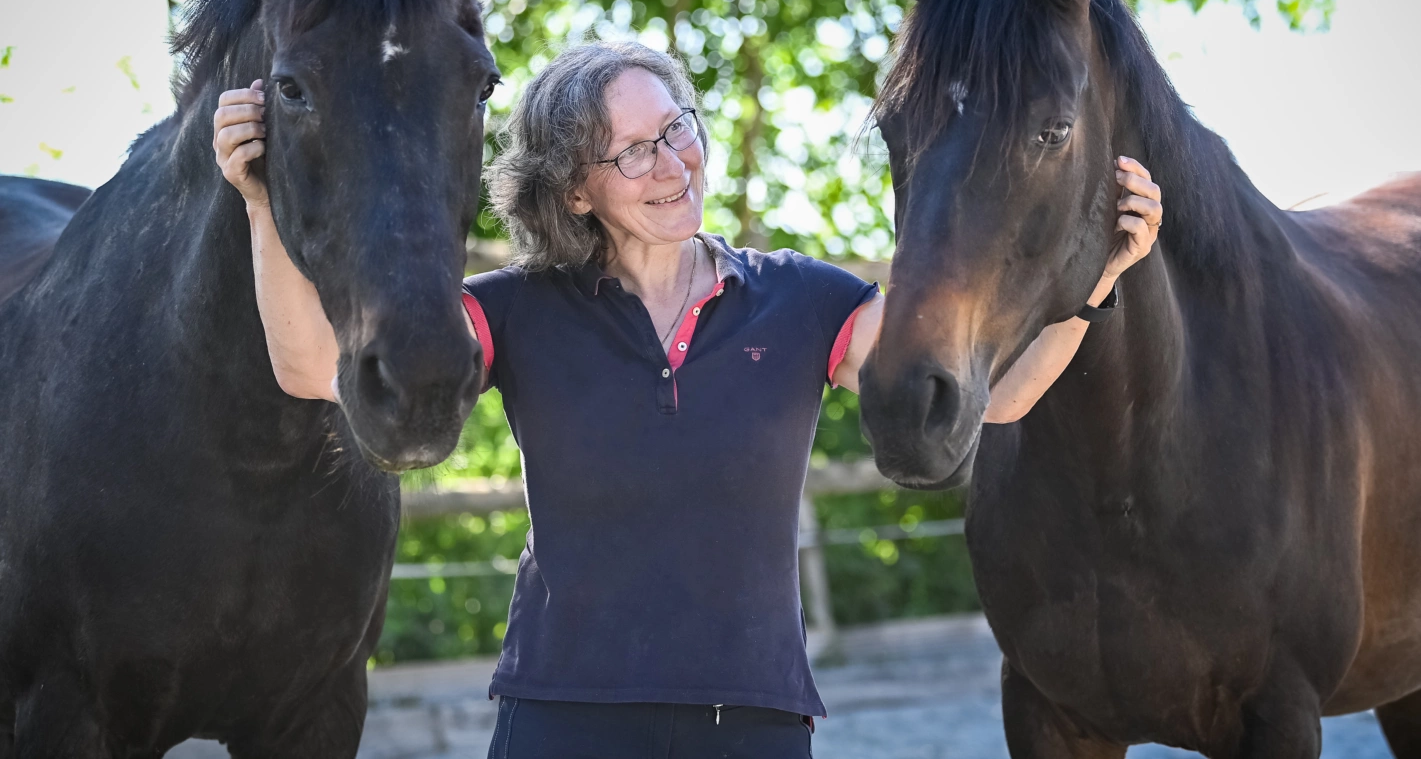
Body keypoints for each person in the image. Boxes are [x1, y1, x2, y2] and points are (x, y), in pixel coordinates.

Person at [212, 40, 1163, 758]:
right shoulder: (517, 311)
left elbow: (993, 403)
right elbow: (309, 370)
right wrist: (260, 202)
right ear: (575, 191)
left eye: (677, 129)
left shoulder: (807, 299)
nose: (674, 166)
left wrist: (1098, 282)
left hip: (749, 715)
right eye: (631, 153)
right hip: (560, 714)